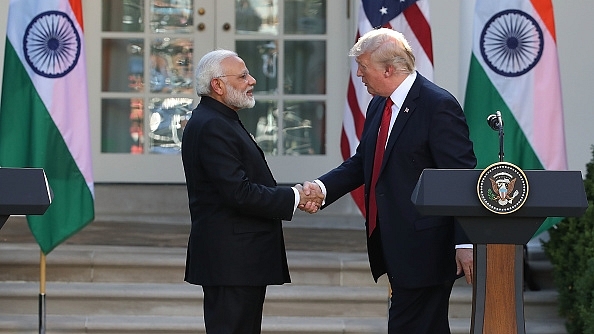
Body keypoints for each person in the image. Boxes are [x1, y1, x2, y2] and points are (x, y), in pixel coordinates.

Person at [300, 28, 477, 333]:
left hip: (427, 248)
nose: (359, 75)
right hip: (396, 244)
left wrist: (465, 242)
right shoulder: (379, 104)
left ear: (389, 69)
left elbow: (460, 177)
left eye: (363, 68)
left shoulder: (437, 106)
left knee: (409, 325)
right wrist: (323, 188)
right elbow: (362, 163)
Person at [181, 49, 323, 334]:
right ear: (218, 85)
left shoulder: (220, 119)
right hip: (231, 262)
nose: (252, 80)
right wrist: (296, 196)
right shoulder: (212, 125)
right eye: (243, 75)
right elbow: (239, 193)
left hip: (238, 261)